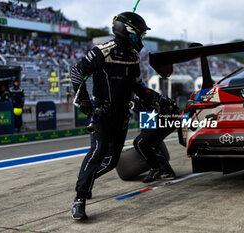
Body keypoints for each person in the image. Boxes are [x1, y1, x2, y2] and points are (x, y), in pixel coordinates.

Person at [70, 11, 152, 220]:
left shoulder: (133, 56)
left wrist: (156, 98)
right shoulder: (102, 51)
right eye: (140, 34)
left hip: (122, 114)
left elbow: (137, 85)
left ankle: (85, 180)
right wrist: (86, 104)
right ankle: (79, 198)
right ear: (129, 32)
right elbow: (76, 72)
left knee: (112, 161)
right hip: (102, 113)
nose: (142, 38)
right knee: (97, 152)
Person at [131, 92, 178, 183]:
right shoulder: (128, 96)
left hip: (167, 116)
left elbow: (156, 105)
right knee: (148, 142)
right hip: (155, 116)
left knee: (140, 142)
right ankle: (166, 171)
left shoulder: (135, 94)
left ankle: (156, 169)